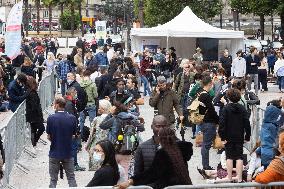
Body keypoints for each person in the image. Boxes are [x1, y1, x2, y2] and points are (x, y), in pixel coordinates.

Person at [116, 128, 192, 189]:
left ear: (161, 138)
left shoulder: (162, 154)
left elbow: (151, 174)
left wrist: (130, 181)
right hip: (185, 184)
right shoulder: (183, 150)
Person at [218, 88, 251, 182]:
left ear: (228, 97)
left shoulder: (225, 108)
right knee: (239, 156)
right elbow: (247, 123)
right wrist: (247, 136)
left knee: (229, 156)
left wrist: (222, 136)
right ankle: (239, 178)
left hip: (228, 136)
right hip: (239, 135)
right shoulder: (242, 108)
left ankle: (229, 177)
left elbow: (222, 123)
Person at [46, 97, 77, 188]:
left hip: (55, 152)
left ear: (57, 105)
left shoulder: (51, 118)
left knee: (53, 179)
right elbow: (73, 135)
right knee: (71, 178)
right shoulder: (72, 118)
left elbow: (49, 136)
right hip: (68, 152)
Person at [199, 75, 219, 170]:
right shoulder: (206, 96)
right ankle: (206, 166)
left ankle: (205, 165)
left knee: (205, 145)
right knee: (206, 145)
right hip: (209, 122)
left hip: (203, 121)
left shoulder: (200, 93)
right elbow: (211, 110)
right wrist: (218, 120)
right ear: (210, 84)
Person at [85, 99, 112, 171]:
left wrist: (87, 145)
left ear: (102, 109)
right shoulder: (112, 119)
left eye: (99, 107)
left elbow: (91, 134)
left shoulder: (96, 119)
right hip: (109, 145)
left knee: (97, 166)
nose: (98, 108)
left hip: (97, 145)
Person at [260, 101, 283, 168]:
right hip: (274, 128)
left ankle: (266, 165)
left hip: (268, 128)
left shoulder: (270, 110)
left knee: (266, 146)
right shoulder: (279, 113)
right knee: (270, 146)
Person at [26, 77, 45, 148]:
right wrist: (39, 115)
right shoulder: (31, 93)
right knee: (41, 128)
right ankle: (34, 142)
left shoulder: (31, 92)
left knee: (33, 130)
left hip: (33, 115)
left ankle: (34, 144)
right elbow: (35, 105)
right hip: (34, 115)